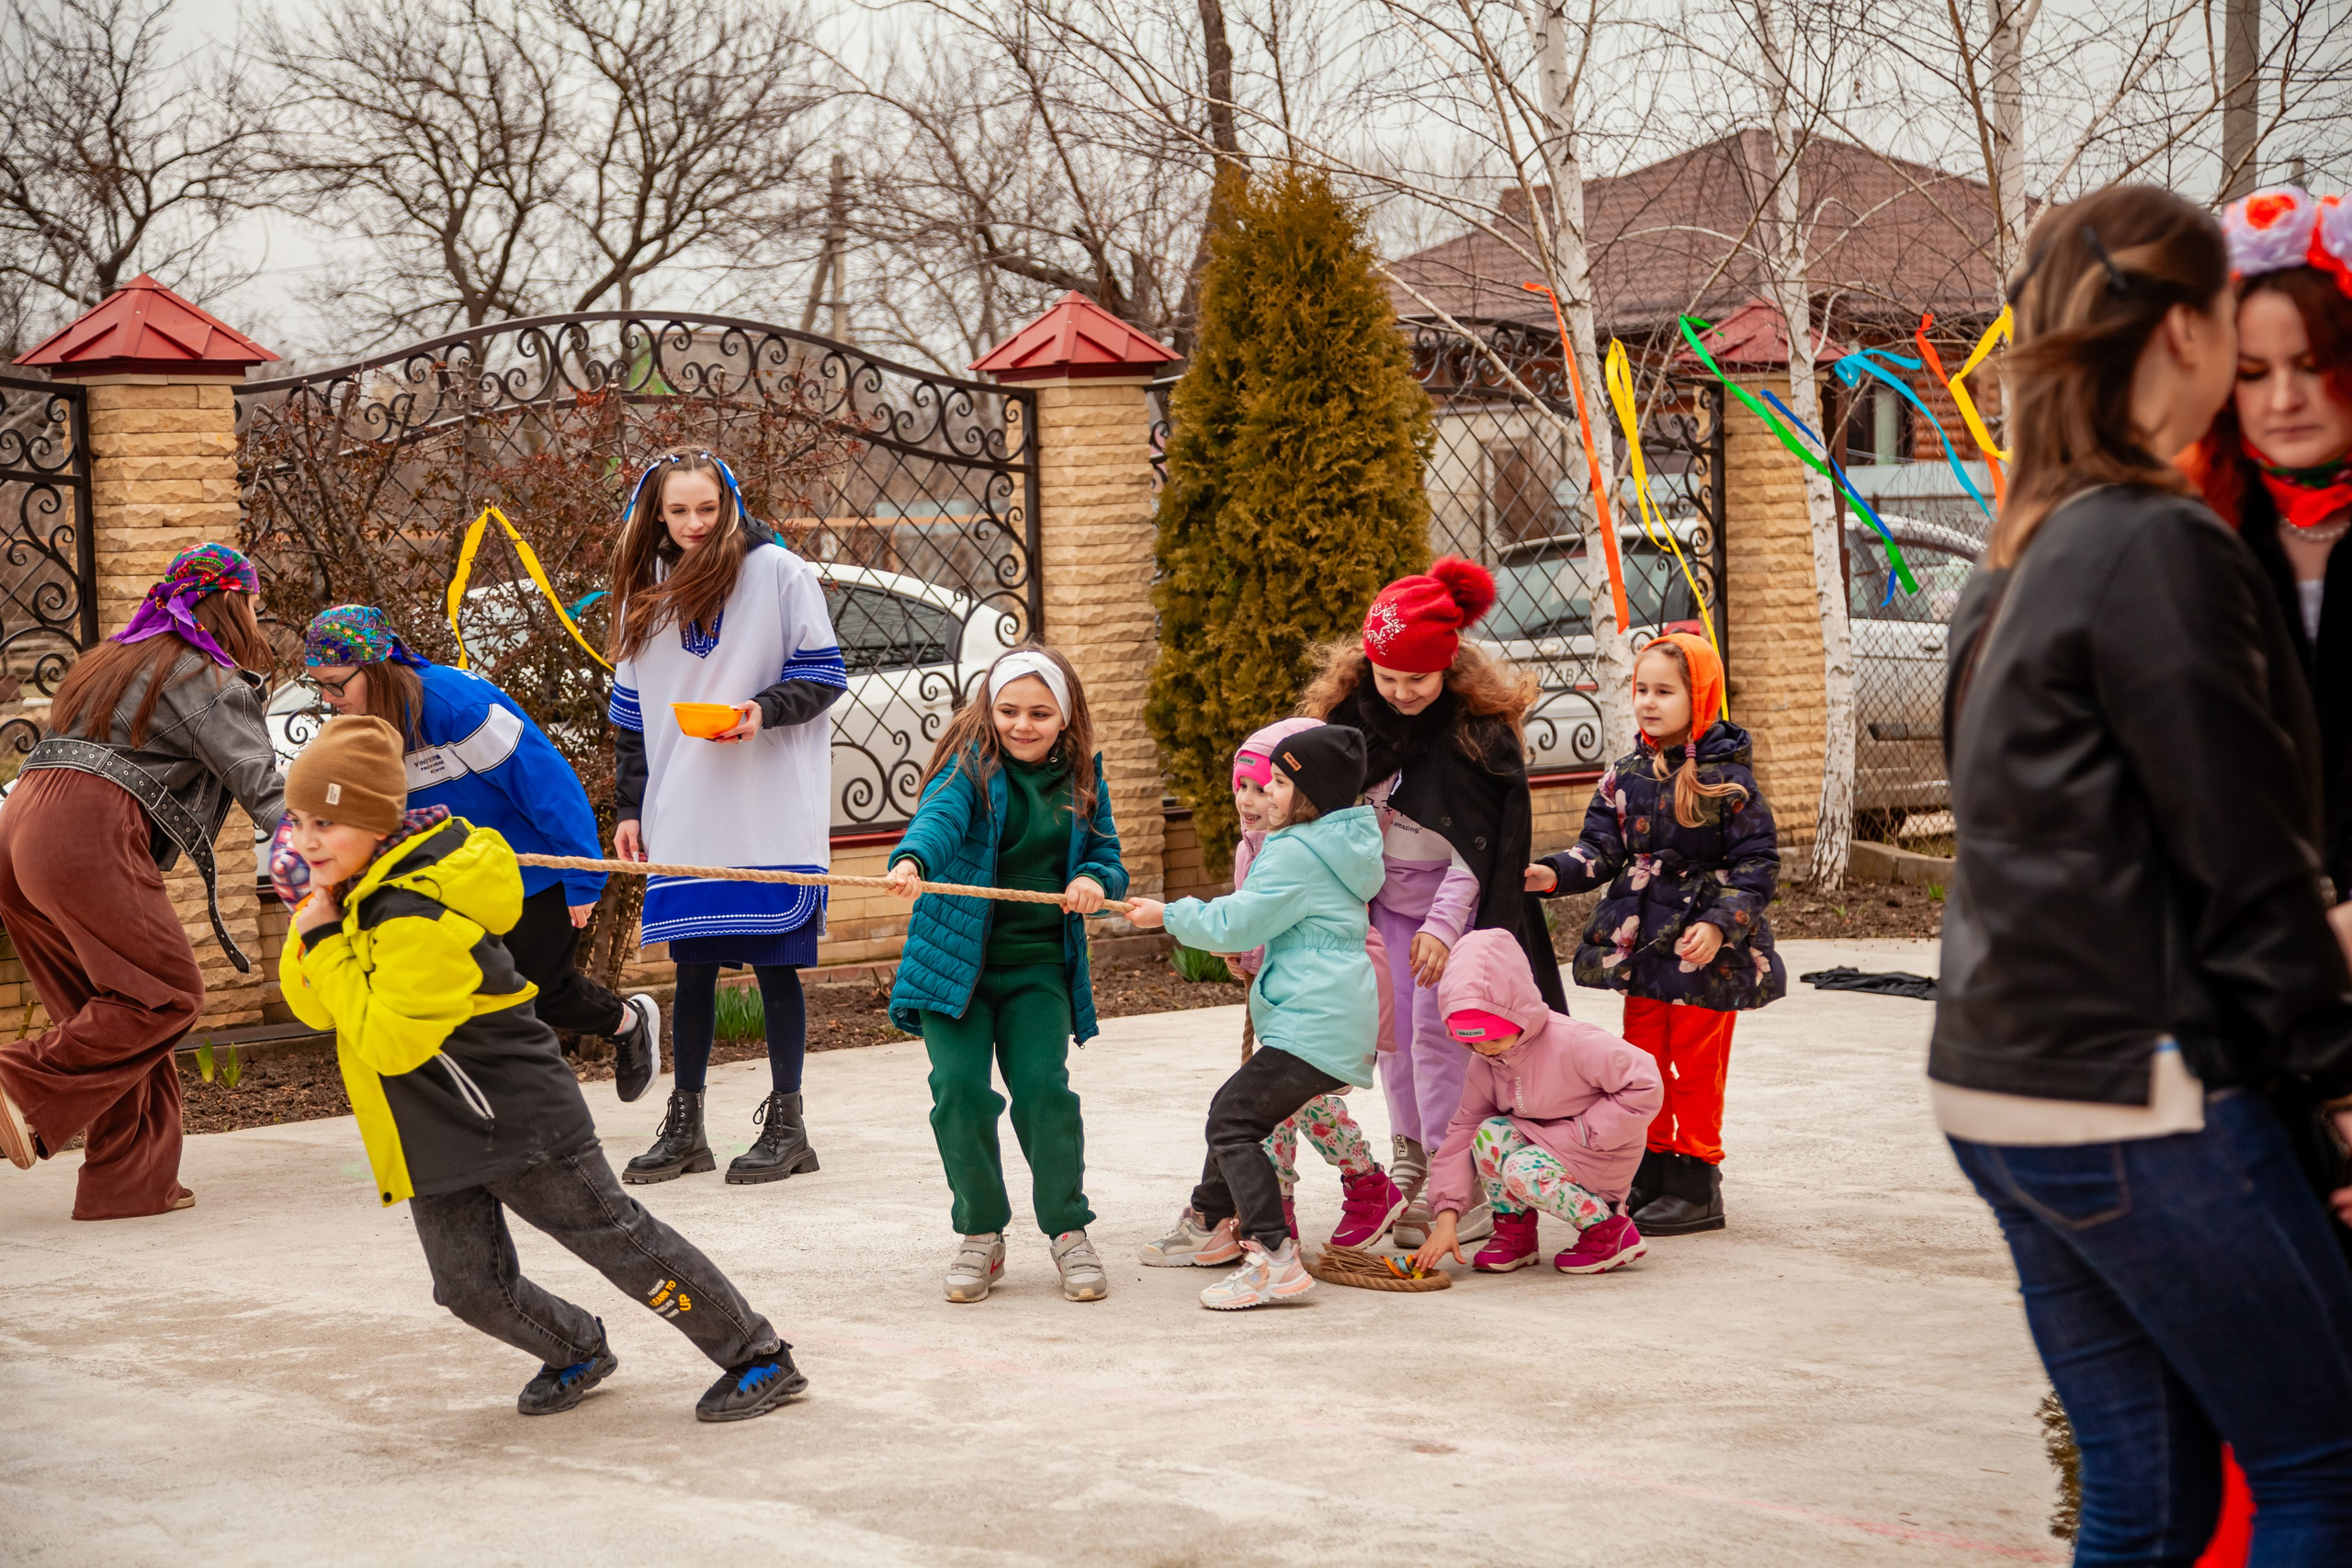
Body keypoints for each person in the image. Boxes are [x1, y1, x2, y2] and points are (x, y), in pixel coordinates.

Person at [1937, 183, 2352, 1562]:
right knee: (2323, 1466)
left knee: (2145, 1494)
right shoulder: (2161, 544)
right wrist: (2333, 1079)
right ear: (2187, 328)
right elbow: (2246, 866)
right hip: (2140, 1092)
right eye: (2237, 324)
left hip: (2003, 1086)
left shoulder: (2016, 556)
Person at [277, 715, 804, 1423]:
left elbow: (387, 1040)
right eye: (299, 820)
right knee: (468, 1288)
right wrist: (312, 930)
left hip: (519, 1119)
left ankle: (758, 1354)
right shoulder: (355, 899)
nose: (306, 841)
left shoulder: (414, 914)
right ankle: (576, 1345)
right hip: (435, 1128)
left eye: (327, 823)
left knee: (620, 1244)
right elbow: (318, 1010)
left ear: (377, 822)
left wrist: (325, 941)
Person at [0, 544, 283, 1218]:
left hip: (20, 825)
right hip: (84, 828)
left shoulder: (114, 659)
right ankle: (14, 1078)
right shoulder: (203, 675)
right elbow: (264, 788)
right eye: (254, 604)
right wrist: (342, 839)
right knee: (165, 996)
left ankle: (127, 1184)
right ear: (232, 603)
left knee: (115, 1014)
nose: (259, 618)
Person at [287, 604, 660, 1100]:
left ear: (376, 666)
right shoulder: (362, 732)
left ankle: (627, 1022)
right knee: (469, 997)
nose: (331, 700)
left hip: (534, 873)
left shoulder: (456, 705)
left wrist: (583, 877)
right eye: (321, 688)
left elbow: (546, 784)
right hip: (449, 883)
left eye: (337, 684)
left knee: (542, 988)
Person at [1299, 557, 1564, 1251]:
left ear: (1447, 666)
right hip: (1383, 909)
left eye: (1416, 679)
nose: (1400, 692)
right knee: (1394, 1040)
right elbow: (1329, 823)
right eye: (1386, 677)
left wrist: (1445, 928)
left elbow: (1478, 851)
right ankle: (1412, 1151)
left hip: (1454, 913)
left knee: (1444, 1042)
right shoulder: (1357, 723)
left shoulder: (1475, 737)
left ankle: (1465, 1177)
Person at [605, 449, 845, 1187]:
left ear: (729, 501)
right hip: (683, 808)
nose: (694, 524)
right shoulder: (640, 594)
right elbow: (632, 723)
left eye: (706, 508)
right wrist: (629, 808)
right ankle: (687, 1125)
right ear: (656, 512)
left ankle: (788, 1124)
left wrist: (760, 711)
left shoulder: (781, 573)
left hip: (768, 804)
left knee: (776, 968)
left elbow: (824, 675)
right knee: (694, 968)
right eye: (678, 511)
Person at [883, 646, 1127, 1304]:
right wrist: (912, 860)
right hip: (953, 965)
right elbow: (938, 821)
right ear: (990, 711)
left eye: (1040, 712)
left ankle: (1069, 1229)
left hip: (1036, 967)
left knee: (1046, 1092)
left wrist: (1090, 878)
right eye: (1009, 709)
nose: (1023, 724)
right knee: (959, 1091)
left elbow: (1107, 853)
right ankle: (981, 1232)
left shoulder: (1081, 776)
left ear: (1066, 717)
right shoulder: (970, 767)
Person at [1526, 633, 1783, 1235]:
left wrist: (1721, 927)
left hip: (1704, 951)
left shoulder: (1730, 782)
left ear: (1701, 697)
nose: (1647, 701)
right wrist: (1553, 872)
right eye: (1640, 689)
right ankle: (1651, 1165)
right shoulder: (1625, 776)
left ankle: (1697, 1180)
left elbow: (1756, 865)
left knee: (1695, 1062)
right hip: (1645, 947)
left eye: (1664, 691)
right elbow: (1599, 849)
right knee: (1640, 1058)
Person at [1126, 724, 1386, 1311]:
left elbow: (1240, 920)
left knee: (1232, 1120)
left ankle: (1273, 1255)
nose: (1263, 795)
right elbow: (1282, 922)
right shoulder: (1338, 846)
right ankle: (1211, 1221)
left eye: (1277, 784)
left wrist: (1166, 914)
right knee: (1236, 1110)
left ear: (1309, 794)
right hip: (1329, 1016)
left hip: (1311, 1022)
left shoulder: (1295, 850)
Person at [2185, 186, 2352, 897]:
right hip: (2249, 974)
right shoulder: (2195, 539)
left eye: (2311, 364)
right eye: (2254, 372)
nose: (2283, 398)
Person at [1410, 929, 1661, 1275]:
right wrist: (1446, 1218)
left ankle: (1609, 1231)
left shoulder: (1573, 1041)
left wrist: (1587, 1133)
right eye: (1471, 1043)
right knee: (1486, 1134)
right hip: (1543, 1144)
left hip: (1598, 1149)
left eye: (1493, 1038)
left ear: (1520, 1014)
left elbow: (1644, 1082)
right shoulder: (1486, 1062)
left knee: (1520, 1170)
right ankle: (1515, 1235)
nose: (1484, 1051)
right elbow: (1461, 1132)